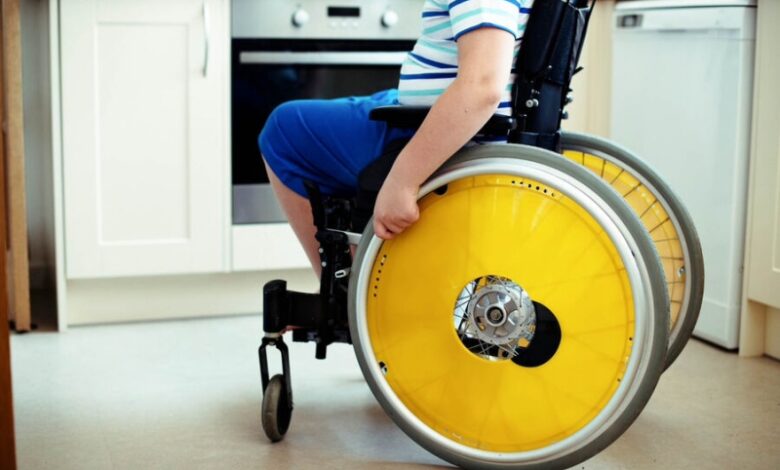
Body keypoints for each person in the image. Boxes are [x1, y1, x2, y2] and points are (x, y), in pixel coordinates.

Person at [259, 0, 534, 276]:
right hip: (434, 117)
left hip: (445, 134)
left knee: (285, 131)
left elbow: (483, 87)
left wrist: (402, 182)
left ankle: (345, 291)